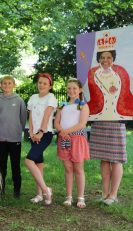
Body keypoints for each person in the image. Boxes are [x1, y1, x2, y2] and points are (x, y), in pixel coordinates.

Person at [54, 78, 90, 208]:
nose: (71, 90)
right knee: (68, 169)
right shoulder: (62, 105)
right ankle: (69, 196)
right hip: (64, 139)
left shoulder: (83, 105)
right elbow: (56, 121)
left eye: (74, 88)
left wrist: (65, 132)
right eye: (69, 88)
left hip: (78, 140)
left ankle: (80, 197)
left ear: (80, 90)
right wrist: (61, 131)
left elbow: (82, 124)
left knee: (78, 169)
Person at [25, 73, 57, 205]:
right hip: (34, 135)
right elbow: (31, 118)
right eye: (40, 83)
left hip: (45, 134)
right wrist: (31, 133)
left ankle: (46, 190)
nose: (42, 85)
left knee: (28, 161)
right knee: (39, 164)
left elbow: (47, 116)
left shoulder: (51, 98)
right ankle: (39, 195)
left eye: (45, 83)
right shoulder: (33, 98)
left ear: (50, 86)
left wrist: (40, 132)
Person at [0, 76, 26, 198]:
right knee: (2, 165)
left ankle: (17, 191)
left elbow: (23, 118)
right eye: (4, 83)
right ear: (1, 86)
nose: (7, 85)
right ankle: (1, 189)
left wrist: (17, 130)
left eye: (9, 83)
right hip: (1, 137)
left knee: (15, 165)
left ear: (14, 85)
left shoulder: (19, 100)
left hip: (15, 138)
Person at [83, 49, 133, 120]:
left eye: (108, 58)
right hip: (99, 115)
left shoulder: (120, 70)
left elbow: (126, 89)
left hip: (118, 118)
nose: (105, 60)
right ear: (99, 59)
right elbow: (88, 91)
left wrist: (116, 91)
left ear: (112, 59)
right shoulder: (93, 72)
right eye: (103, 58)